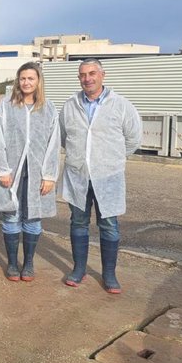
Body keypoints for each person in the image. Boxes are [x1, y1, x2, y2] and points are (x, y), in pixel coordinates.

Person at [60, 58, 141, 294]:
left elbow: (133, 139)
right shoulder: (70, 105)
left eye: (92, 73)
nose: (88, 78)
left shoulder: (122, 105)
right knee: (78, 223)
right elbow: (65, 138)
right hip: (79, 176)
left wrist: (109, 160)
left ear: (102, 75)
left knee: (109, 226)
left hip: (108, 177)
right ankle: (79, 269)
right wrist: (83, 159)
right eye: (83, 75)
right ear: (79, 78)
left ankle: (109, 274)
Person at [0, 62, 60, 282]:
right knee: (11, 216)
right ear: (17, 81)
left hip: (37, 173)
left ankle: (28, 263)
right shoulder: (7, 106)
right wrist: (2, 169)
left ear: (38, 81)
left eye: (31, 78)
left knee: (33, 218)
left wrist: (49, 175)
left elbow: (53, 143)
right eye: (22, 78)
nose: (26, 82)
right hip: (12, 172)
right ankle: (12, 263)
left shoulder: (48, 108)